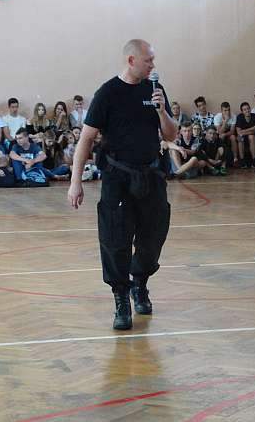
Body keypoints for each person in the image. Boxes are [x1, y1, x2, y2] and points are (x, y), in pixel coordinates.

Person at [67, 38, 177, 330]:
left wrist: (162, 111)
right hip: (117, 179)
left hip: (151, 176)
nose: (153, 65)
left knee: (152, 238)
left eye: (153, 60)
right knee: (115, 240)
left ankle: (139, 283)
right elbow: (86, 139)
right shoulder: (108, 93)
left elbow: (171, 135)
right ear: (131, 60)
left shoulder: (155, 90)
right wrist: (75, 181)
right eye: (148, 60)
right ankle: (121, 297)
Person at [234, 102, 255, 168]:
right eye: (245, 109)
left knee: (251, 137)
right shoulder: (239, 117)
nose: (247, 110)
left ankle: (254, 161)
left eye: (248, 108)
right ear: (242, 111)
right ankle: (242, 161)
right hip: (242, 136)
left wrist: (243, 131)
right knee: (240, 138)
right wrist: (251, 129)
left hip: (252, 136)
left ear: (250, 109)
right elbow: (238, 132)